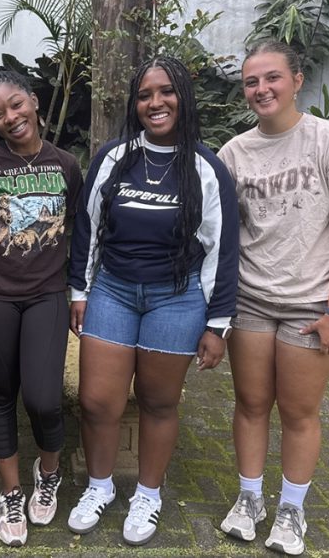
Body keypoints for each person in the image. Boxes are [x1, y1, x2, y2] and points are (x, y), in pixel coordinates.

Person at [66, 56, 239, 545]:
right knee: (98, 401)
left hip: (177, 298)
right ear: (134, 103)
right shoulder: (113, 158)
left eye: (166, 92)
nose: (155, 103)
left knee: (158, 402)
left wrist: (217, 324)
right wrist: (80, 291)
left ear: (183, 97)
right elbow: (88, 228)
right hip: (114, 292)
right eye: (144, 95)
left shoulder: (207, 168)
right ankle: (99, 487)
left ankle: (148, 494)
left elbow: (223, 251)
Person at [216, 40, 329, 556]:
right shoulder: (233, 153)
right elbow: (219, 233)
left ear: (297, 80)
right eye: (252, 82)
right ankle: (250, 499)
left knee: (299, 412)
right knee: (251, 403)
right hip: (251, 299)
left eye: (272, 78)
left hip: (312, 304)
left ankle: (291, 510)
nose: (261, 89)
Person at [0, 67, 83, 547]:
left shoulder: (67, 166)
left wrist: (76, 292)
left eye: (16, 104)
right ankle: (11, 493)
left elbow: (74, 231)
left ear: (32, 101)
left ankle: (47, 472)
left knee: (45, 399)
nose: (10, 117)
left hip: (46, 294)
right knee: (2, 393)